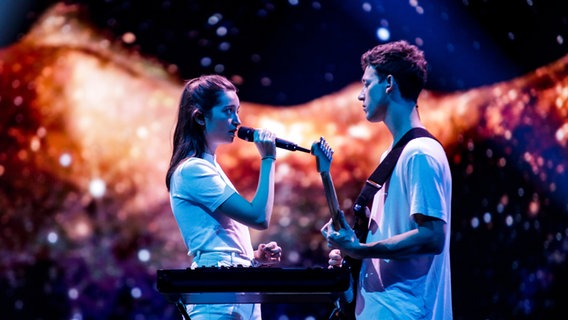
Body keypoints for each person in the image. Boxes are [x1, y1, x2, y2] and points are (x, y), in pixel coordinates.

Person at [321, 40, 453, 319]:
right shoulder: (394, 156)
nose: (360, 95)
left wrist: (361, 250)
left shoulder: (420, 153)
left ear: (389, 83)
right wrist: (351, 252)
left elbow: (432, 237)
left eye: (367, 84)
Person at [165, 74, 282, 320]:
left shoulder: (210, 167)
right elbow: (259, 217)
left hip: (237, 288)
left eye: (237, 111)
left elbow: (220, 238)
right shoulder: (193, 170)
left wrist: (253, 257)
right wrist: (268, 158)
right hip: (217, 295)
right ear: (199, 117)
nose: (237, 121)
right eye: (228, 111)